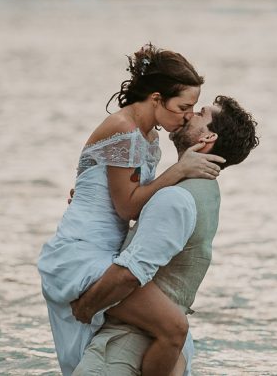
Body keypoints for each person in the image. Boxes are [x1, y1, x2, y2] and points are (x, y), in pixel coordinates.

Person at [38, 44, 225, 376]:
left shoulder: (148, 135)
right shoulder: (125, 129)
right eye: (183, 106)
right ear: (156, 98)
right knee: (172, 326)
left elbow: (123, 193)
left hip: (104, 249)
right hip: (82, 253)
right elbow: (127, 207)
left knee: (170, 331)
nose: (186, 116)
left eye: (193, 108)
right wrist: (179, 171)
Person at [69, 95, 259, 376]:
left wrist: (84, 307)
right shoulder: (204, 190)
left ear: (208, 137)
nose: (189, 114)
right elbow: (139, 214)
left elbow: (130, 274)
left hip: (128, 343)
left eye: (200, 113)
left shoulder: (176, 197)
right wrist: (93, 202)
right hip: (158, 335)